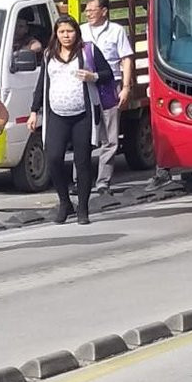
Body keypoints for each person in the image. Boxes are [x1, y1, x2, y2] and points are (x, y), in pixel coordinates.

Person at [28, 16, 113, 225]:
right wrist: (34, 111)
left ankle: (83, 208)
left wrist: (92, 77)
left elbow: (107, 74)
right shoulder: (49, 55)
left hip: (82, 114)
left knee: (82, 161)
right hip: (56, 114)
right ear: (56, 34)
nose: (66, 36)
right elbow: (42, 84)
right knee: (54, 158)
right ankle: (65, 202)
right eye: (62, 32)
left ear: (77, 32)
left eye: (70, 31)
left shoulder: (88, 51)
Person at [79, 0, 133, 196]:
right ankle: (80, 180)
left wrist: (126, 87)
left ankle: (103, 182)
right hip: (85, 86)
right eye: (87, 10)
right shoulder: (81, 31)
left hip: (110, 85)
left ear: (104, 11)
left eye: (93, 10)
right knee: (84, 134)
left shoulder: (117, 31)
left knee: (110, 137)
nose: (89, 14)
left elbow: (126, 59)